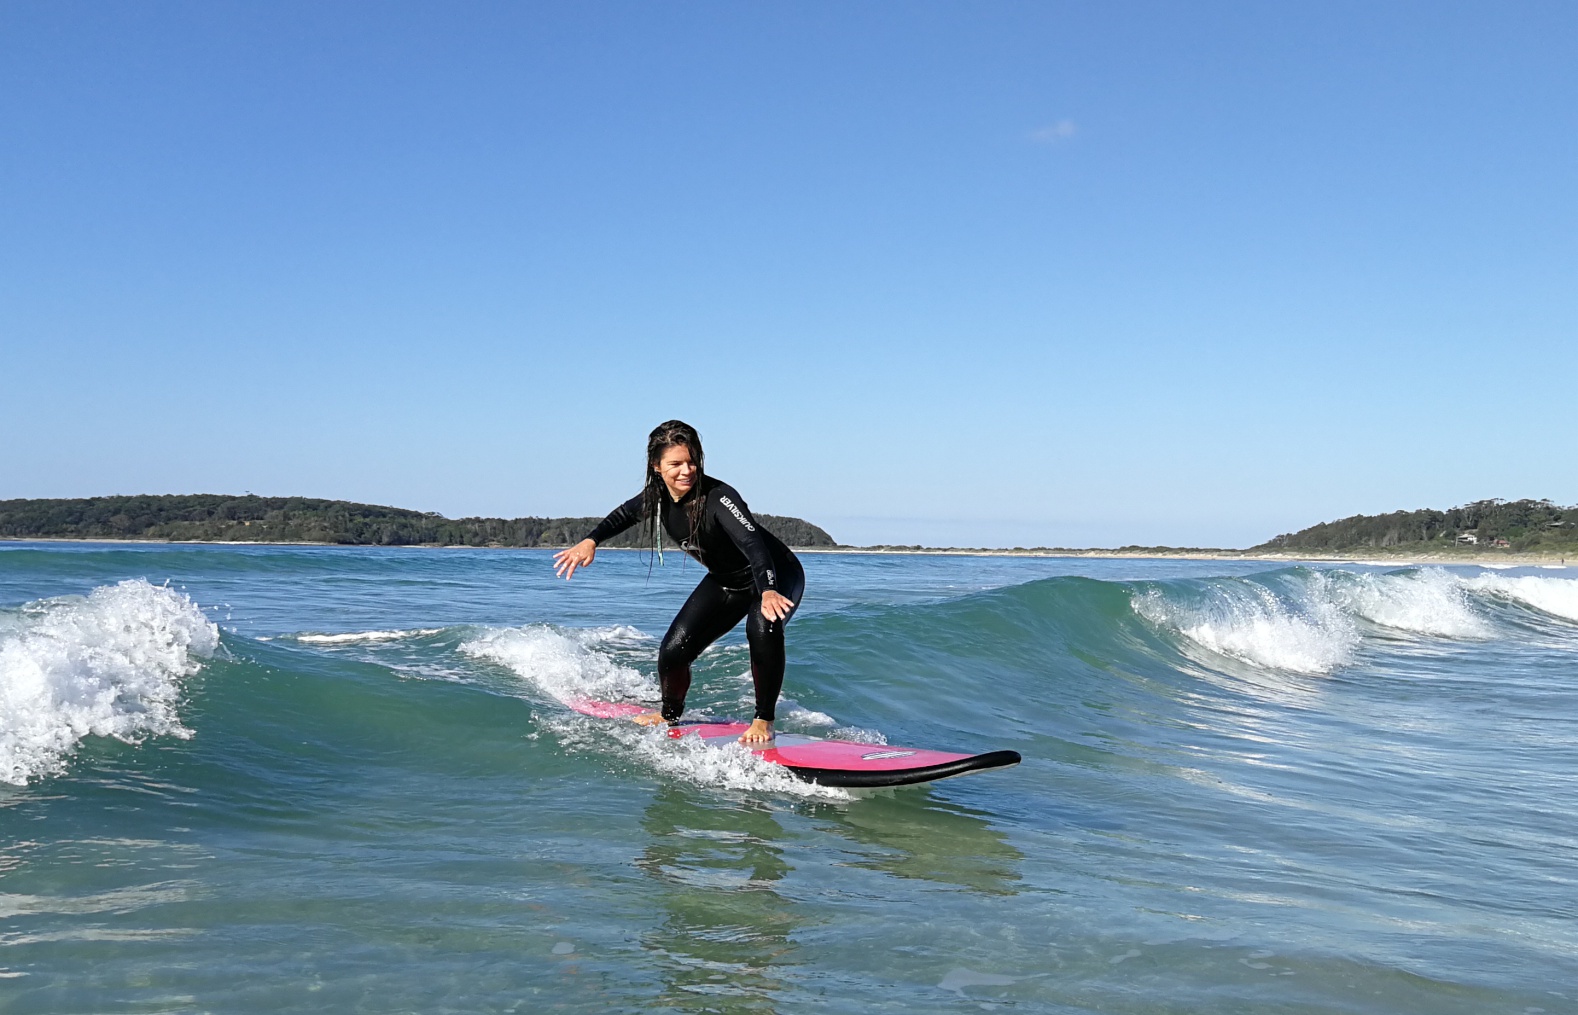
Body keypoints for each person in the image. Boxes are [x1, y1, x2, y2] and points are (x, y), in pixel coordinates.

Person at [552, 420, 806, 743]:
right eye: (675, 463)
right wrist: (592, 540)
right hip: (727, 582)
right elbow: (622, 515)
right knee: (672, 652)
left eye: (692, 461)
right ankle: (669, 714)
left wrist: (769, 589)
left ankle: (764, 720)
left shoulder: (719, 498)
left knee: (762, 625)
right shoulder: (656, 497)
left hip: (776, 575)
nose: (686, 470)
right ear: (657, 467)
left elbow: (754, 545)